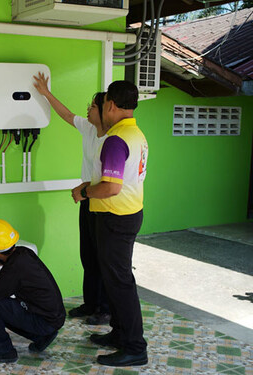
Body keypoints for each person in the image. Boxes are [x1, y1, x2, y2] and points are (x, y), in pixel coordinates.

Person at [73, 80, 149, 367]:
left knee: (120, 284)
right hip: (127, 214)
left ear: (111, 106)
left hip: (115, 218)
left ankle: (134, 347)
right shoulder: (135, 133)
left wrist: (83, 192)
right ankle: (119, 334)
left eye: (102, 104)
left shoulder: (116, 140)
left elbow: (110, 187)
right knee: (115, 281)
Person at [33, 72, 111, 326]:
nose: (87, 109)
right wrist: (45, 93)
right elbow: (66, 114)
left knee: (104, 258)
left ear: (105, 111)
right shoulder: (89, 129)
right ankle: (90, 304)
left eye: (92, 106)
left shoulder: (113, 139)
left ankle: (105, 308)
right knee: (87, 254)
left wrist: (85, 189)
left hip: (104, 202)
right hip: (87, 199)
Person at [0, 219, 65, 363]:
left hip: (44, 321)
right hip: (53, 317)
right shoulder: (22, 252)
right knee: (6, 307)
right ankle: (41, 337)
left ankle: (2, 351)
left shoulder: (13, 268)